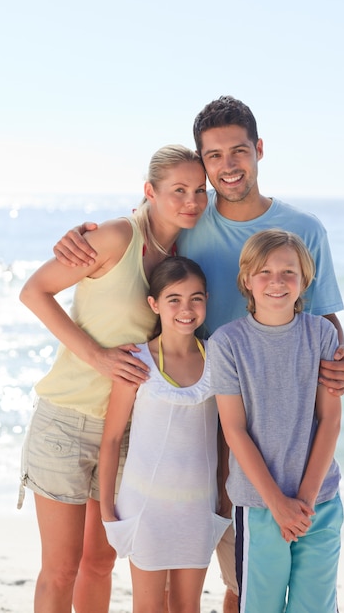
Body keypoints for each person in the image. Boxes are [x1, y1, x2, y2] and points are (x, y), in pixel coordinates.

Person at [53, 96, 344, 612]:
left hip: (280, 423)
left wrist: (341, 361)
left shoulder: (305, 230)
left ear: (259, 150)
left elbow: (324, 320)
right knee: (202, 552)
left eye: (239, 151)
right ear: (203, 162)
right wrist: (82, 237)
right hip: (206, 408)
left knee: (240, 575)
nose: (228, 165)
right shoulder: (192, 219)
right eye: (214, 156)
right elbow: (143, 225)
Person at [17, 145, 207, 613]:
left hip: (126, 434)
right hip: (65, 421)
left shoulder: (182, 249)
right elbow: (33, 291)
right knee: (61, 569)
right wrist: (97, 356)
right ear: (150, 191)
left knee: (100, 564)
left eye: (200, 191)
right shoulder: (115, 237)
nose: (191, 201)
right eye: (178, 190)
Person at [209, 229, 343, 612]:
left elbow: (330, 420)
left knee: (314, 607)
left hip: (320, 500)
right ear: (247, 280)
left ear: (305, 280)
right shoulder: (227, 343)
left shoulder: (321, 334)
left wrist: (304, 501)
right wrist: (278, 505)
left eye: (289, 272)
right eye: (265, 272)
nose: (277, 281)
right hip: (258, 506)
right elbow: (234, 430)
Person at [99, 256, 230, 613]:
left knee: (188, 607)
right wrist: (107, 510)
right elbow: (111, 440)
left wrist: (222, 496)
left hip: (198, 508)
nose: (186, 309)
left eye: (196, 298)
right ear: (154, 304)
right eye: (174, 299)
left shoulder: (217, 357)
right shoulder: (137, 361)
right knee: (149, 607)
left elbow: (222, 434)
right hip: (146, 508)